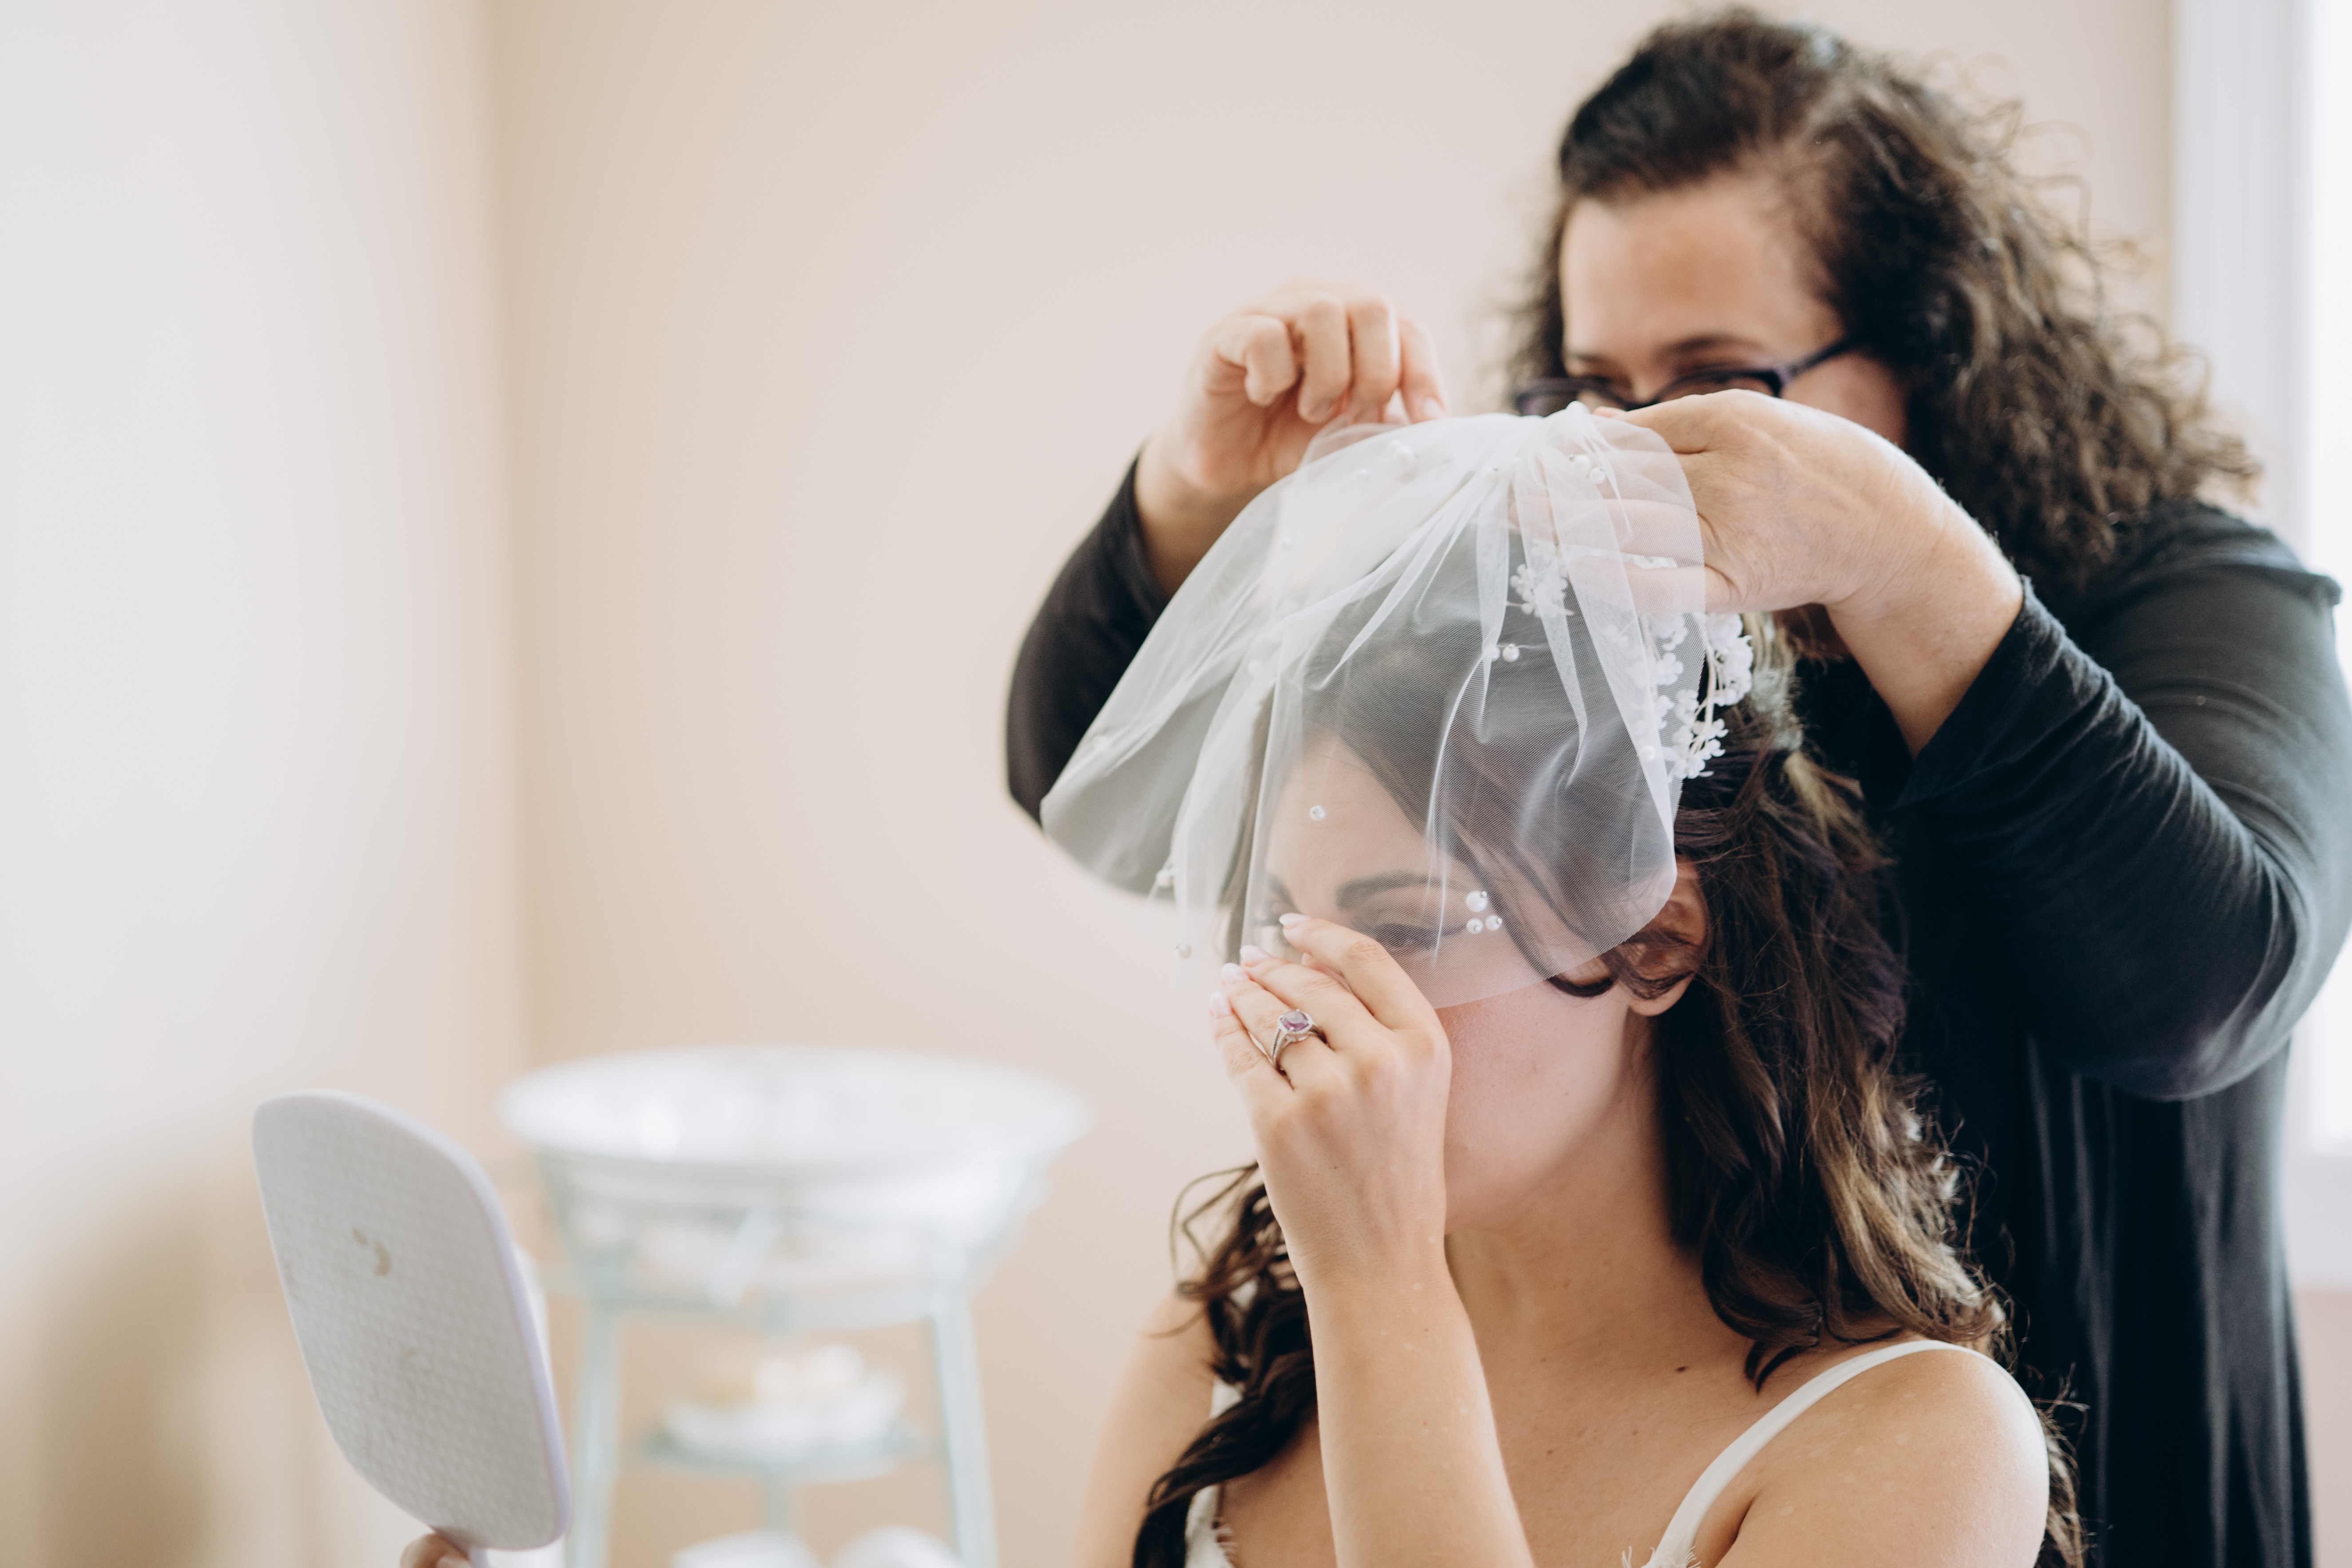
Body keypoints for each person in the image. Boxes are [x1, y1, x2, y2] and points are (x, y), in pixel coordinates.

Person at [1007, 12, 2352, 1567]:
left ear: (1929, 360)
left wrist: (1891, 548)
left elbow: (2194, 988)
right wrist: (1198, 503)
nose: (1639, 437)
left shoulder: (2180, 595)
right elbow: (1122, 787)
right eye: (1591, 382)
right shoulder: (1609, 654)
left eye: (1720, 378)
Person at [1042, 406, 2066, 1567]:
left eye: (1406, 925)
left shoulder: (1916, 1442)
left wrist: (1380, 1291)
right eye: (1287, 926)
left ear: (1656, 939)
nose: (1312, 1011)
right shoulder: (1230, 1343)